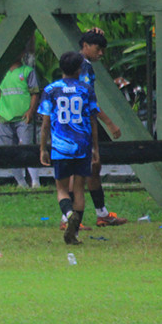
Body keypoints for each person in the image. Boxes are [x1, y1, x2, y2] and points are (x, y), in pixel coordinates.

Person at [39, 51, 101, 246]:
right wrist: (95, 148)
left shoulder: (51, 89)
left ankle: (68, 214)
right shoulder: (86, 89)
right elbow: (93, 120)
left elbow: (45, 124)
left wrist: (43, 148)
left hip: (60, 147)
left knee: (62, 189)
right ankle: (74, 232)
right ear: (79, 70)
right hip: (82, 145)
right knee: (79, 188)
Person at [75, 29, 127, 227]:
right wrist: (109, 122)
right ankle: (70, 217)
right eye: (98, 49)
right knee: (81, 170)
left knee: (93, 167)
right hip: (81, 124)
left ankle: (101, 213)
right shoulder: (84, 67)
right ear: (86, 46)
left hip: (78, 124)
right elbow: (88, 100)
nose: (101, 53)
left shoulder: (78, 63)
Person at [0, 52, 41, 188]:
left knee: (27, 149)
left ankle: (35, 182)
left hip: (23, 118)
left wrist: (31, 111)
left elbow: (35, 93)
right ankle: (21, 183)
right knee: (8, 152)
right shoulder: (1, 73)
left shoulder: (27, 71)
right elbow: (0, 94)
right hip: (5, 118)